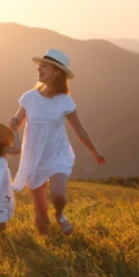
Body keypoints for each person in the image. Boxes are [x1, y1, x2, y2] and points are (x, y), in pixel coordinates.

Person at [11, 49, 105, 235]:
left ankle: (60, 215)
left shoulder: (65, 101)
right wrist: (11, 126)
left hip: (57, 154)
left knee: (58, 194)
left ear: (57, 72)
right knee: (40, 210)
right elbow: (17, 122)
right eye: (40, 66)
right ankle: (48, 243)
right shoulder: (29, 98)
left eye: (44, 66)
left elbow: (79, 129)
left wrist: (94, 151)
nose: (40, 69)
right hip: (34, 156)